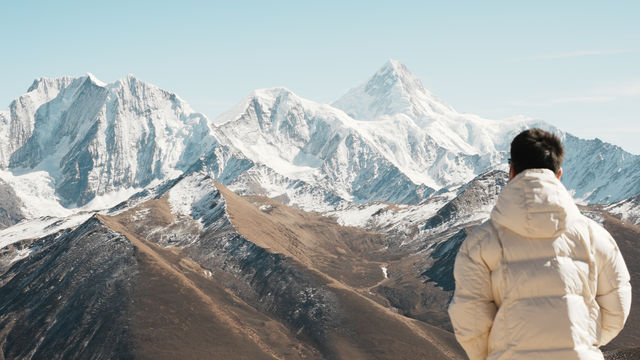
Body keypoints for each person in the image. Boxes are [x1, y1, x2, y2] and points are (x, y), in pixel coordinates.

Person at [448, 128, 631, 360]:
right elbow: (616, 311)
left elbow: (470, 319)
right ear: (559, 175)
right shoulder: (596, 237)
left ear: (511, 171)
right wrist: (582, 342)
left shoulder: (480, 242)